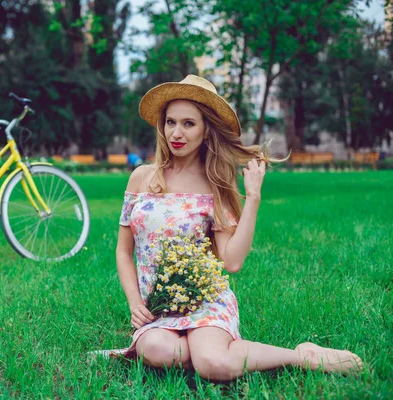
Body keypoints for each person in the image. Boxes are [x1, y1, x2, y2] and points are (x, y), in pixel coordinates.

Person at [111, 75, 362, 381]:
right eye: (170, 122)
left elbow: (232, 261)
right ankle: (205, 347)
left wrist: (253, 197)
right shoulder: (140, 178)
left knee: (214, 366)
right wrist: (136, 303)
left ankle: (301, 355)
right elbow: (124, 251)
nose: (176, 133)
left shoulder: (214, 184)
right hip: (159, 307)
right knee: (161, 352)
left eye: (189, 124)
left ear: (206, 131)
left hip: (204, 299)